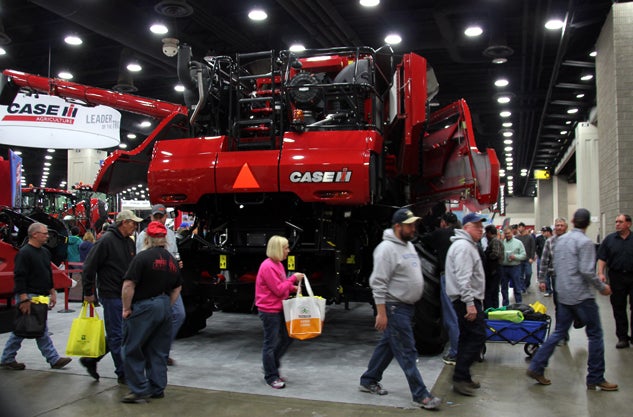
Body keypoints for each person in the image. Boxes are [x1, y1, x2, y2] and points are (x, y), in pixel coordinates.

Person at [359, 208, 441, 410]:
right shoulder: (386, 249)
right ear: (397, 226)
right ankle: (420, 395)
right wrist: (381, 312)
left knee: (388, 345)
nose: (414, 228)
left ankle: (368, 379)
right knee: (407, 351)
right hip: (394, 307)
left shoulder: (409, 245)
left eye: (414, 224)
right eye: (409, 225)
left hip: (407, 307)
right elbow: (377, 283)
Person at [527, 209, 618, 391]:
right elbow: (586, 270)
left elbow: (556, 266)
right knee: (595, 335)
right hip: (581, 296)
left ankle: (537, 365)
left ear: (572, 221)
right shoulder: (584, 243)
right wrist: (602, 288)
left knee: (559, 331)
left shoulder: (559, 241)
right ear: (587, 224)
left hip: (564, 293)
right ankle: (595, 377)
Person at [120, 221, 182, 403]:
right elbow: (177, 287)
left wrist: (126, 308)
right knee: (158, 350)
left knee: (131, 348)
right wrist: (167, 305)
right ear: (165, 239)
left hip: (144, 306)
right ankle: (157, 387)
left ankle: (138, 388)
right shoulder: (172, 261)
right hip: (164, 305)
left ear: (147, 238)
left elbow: (128, 284)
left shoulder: (142, 258)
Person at [80, 210, 143, 383]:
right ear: (123, 223)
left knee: (123, 333)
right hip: (111, 294)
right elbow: (89, 268)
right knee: (117, 335)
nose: (135, 226)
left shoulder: (129, 243)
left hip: (125, 295)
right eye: (133, 223)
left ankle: (91, 359)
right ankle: (123, 373)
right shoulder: (105, 241)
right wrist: (88, 292)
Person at [0, 223, 72, 370]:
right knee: (28, 329)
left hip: (40, 296)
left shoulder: (45, 252)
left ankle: (8, 357)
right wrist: (24, 297)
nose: (47, 236)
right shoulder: (24, 253)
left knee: (32, 328)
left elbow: (47, 273)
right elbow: (19, 276)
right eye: (44, 233)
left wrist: (52, 292)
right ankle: (53, 359)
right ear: (34, 234)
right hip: (28, 296)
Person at [136, 204, 185, 365]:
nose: (158, 219)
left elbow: (175, 254)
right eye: (155, 216)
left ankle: (162, 349)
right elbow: (140, 261)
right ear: (151, 217)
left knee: (178, 314)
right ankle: (150, 351)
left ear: (166, 217)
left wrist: (177, 264)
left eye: (161, 216)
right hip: (152, 284)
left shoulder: (170, 234)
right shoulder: (143, 236)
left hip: (169, 282)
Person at [445, 213, 487, 396]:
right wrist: (470, 303)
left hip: (466, 299)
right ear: (466, 227)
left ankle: (464, 376)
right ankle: (460, 377)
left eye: (481, 227)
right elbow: (463, 278)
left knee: (467, 337)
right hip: (466, 300)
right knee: (478, 336)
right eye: (477, 226)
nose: (481, 230)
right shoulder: (463, 247)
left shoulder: (467, 246)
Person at [255, 235, 303, 389]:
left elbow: (280, 286)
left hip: (277, 308)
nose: (288, 251)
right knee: (270, 343)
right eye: (286, 248)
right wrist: (293, 280)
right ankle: (271, 376)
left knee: (287, 337)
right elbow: (278, 290)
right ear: (277, 249)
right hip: (269, 310)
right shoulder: (268, 266)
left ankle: (271, 366)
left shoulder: (277, 265)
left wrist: (291, 287)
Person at [421, 211, 461, 365]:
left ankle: (455, 352)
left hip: (448, 276)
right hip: (463, 277)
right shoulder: (462, 235)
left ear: (443, 222)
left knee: (450, 315)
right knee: (463, 312)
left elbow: (423, 239)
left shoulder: (440, 234)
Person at [597, 213, 633, 349]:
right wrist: (600, 273)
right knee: (619, 308)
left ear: (628, 224)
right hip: (617, 277)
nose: (617, 224)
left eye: (620, 222)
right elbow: (602, 258)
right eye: (616, 222)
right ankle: (622, 337)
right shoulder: (609, 240)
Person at [499, 227, 527, 306]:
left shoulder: (518, 243)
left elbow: (524, 255)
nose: (507, 235)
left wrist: (515, 257)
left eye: (509, 233)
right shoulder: (501, 242)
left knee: (517, 288)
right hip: (503, 268)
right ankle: (505, 305)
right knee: (504, 288)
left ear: (512, 233)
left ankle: (519, 305)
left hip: (515, 268)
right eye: (506, 234)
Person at [483, 225, 503, 310]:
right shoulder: (493, 241)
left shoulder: (494, 241)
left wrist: (486, 256)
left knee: (491, 292)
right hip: (494, 270)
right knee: (494, 292)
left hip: (494, 270)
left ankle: (490, 310)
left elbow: (496, 254)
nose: (485, 235)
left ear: (489, 233)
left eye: (486, 233)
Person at [516, 222, 535, 293]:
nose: (519, 229)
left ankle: (526, 284)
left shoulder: (530, 237)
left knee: (528, 273)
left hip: (527, 259)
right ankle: (522, 288)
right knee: (520, 274)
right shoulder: (517, 237)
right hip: (519, 259)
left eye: (520, 227)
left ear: (524, 228)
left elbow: (533, 247)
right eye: (518, 227)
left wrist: (532, 257)